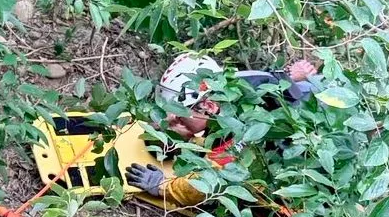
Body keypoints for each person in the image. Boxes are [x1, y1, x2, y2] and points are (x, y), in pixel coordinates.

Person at [124, 54, 323, 208]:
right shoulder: (234, 86)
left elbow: (205, 185)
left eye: (180, 117)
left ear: (208, 106)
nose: (174, 121)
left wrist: (161, 186)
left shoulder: (244, 129)